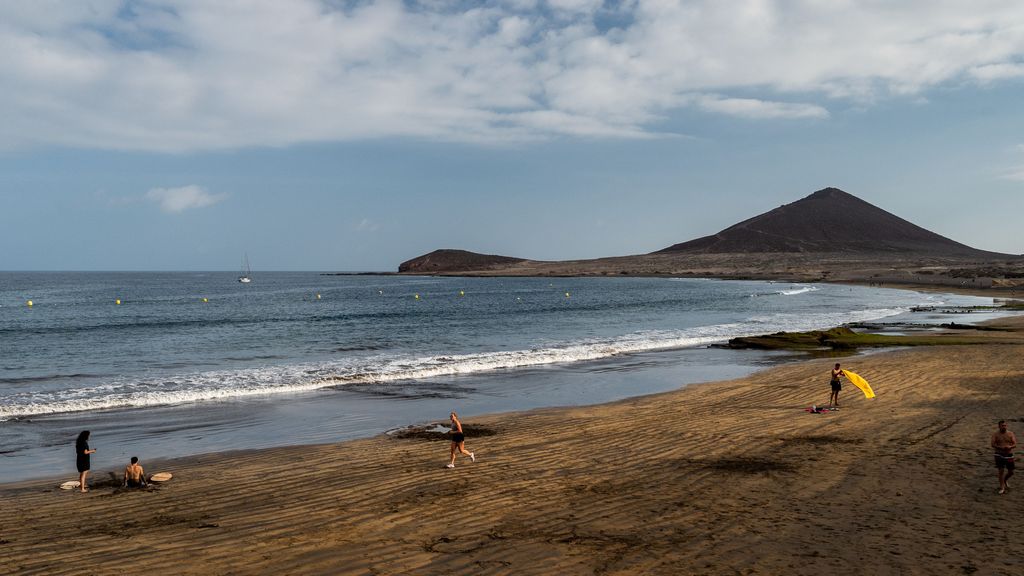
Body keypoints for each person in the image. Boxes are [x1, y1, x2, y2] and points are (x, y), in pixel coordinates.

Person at [991, 420, 1017, 495]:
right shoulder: (995, 434)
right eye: (1002, 425)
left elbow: (1015, 444)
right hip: (999, 454)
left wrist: (1010, 446)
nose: (1004, 427)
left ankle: (1005, 480)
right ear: (999, 426)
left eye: (1005, 425)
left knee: (1011, 472)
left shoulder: (1010, 433)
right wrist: (1000, 447)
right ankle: (1002, 487)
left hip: (1009, 454)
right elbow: (992, 444)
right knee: (1001, 470)